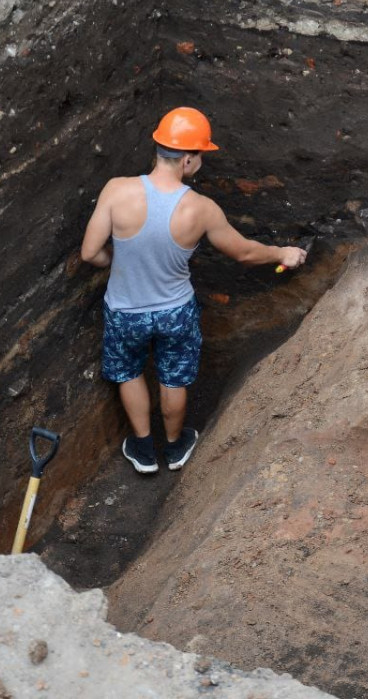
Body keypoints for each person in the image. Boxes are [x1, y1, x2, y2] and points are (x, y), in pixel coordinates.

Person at [80, 107, 307, 474]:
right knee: (173, 378)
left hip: (125, 309)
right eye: (201, 155)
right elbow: (245, 253)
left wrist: (115, 262)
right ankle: (174, 446)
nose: (202, 161)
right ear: (187, 159)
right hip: (175, 311)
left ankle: (142, 449)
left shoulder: (116, 191)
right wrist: (283, 253)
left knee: (128, 373)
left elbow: (90, 252)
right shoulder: (200, 209)